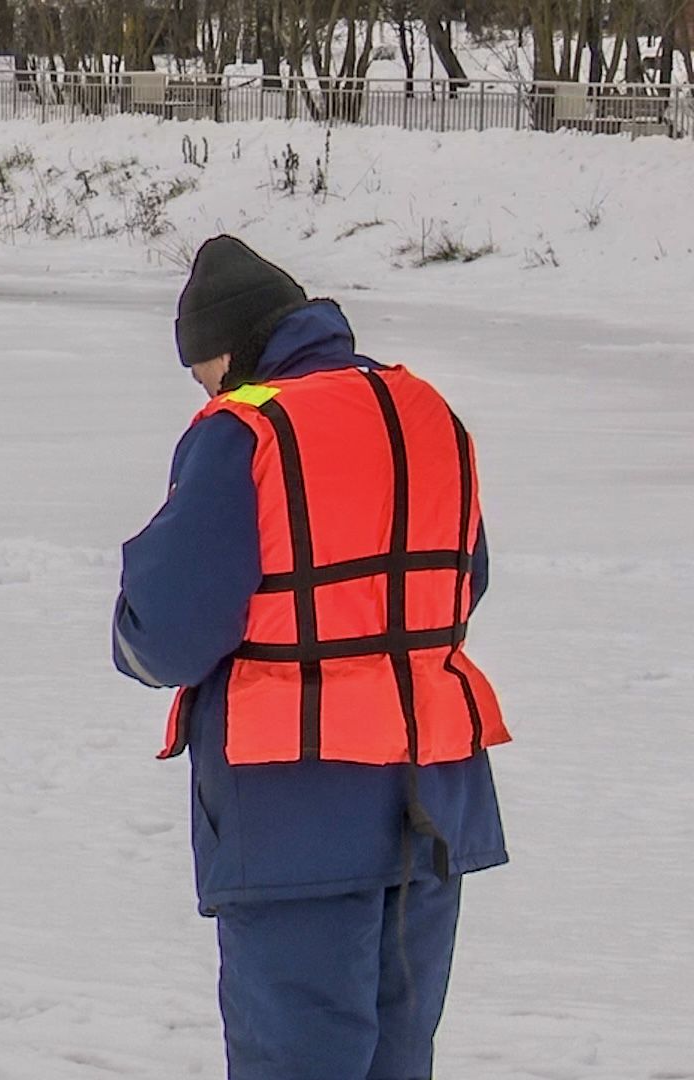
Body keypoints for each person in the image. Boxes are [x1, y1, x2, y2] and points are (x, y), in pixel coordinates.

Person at [112, 235, 511, 1080]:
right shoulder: (428, 410)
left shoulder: (247, 429)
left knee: (297, 1057)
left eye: (203, 372)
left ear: (230, 349)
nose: (207, 390)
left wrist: (130, 635)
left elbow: (171, 631)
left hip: (294, 808)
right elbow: (461, 579)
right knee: (398, 1057)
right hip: (432, 800)